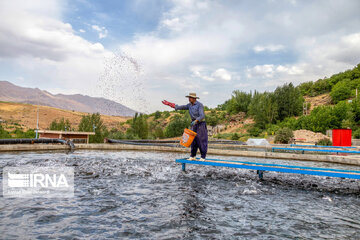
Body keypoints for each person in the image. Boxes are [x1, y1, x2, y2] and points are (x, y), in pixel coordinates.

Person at [162, 93, 208, 161]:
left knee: (201, 140)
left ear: (194, 98)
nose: (189, 99)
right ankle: (193, 156)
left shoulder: (199, 105)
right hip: (194, 124)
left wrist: (196, 121)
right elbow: (180, 107)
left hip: (200, 124)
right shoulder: (189, 105)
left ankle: (203, 157)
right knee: (193, 140)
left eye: (190, 98)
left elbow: (202, 116)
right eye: (189, 97)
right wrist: (170, 104)